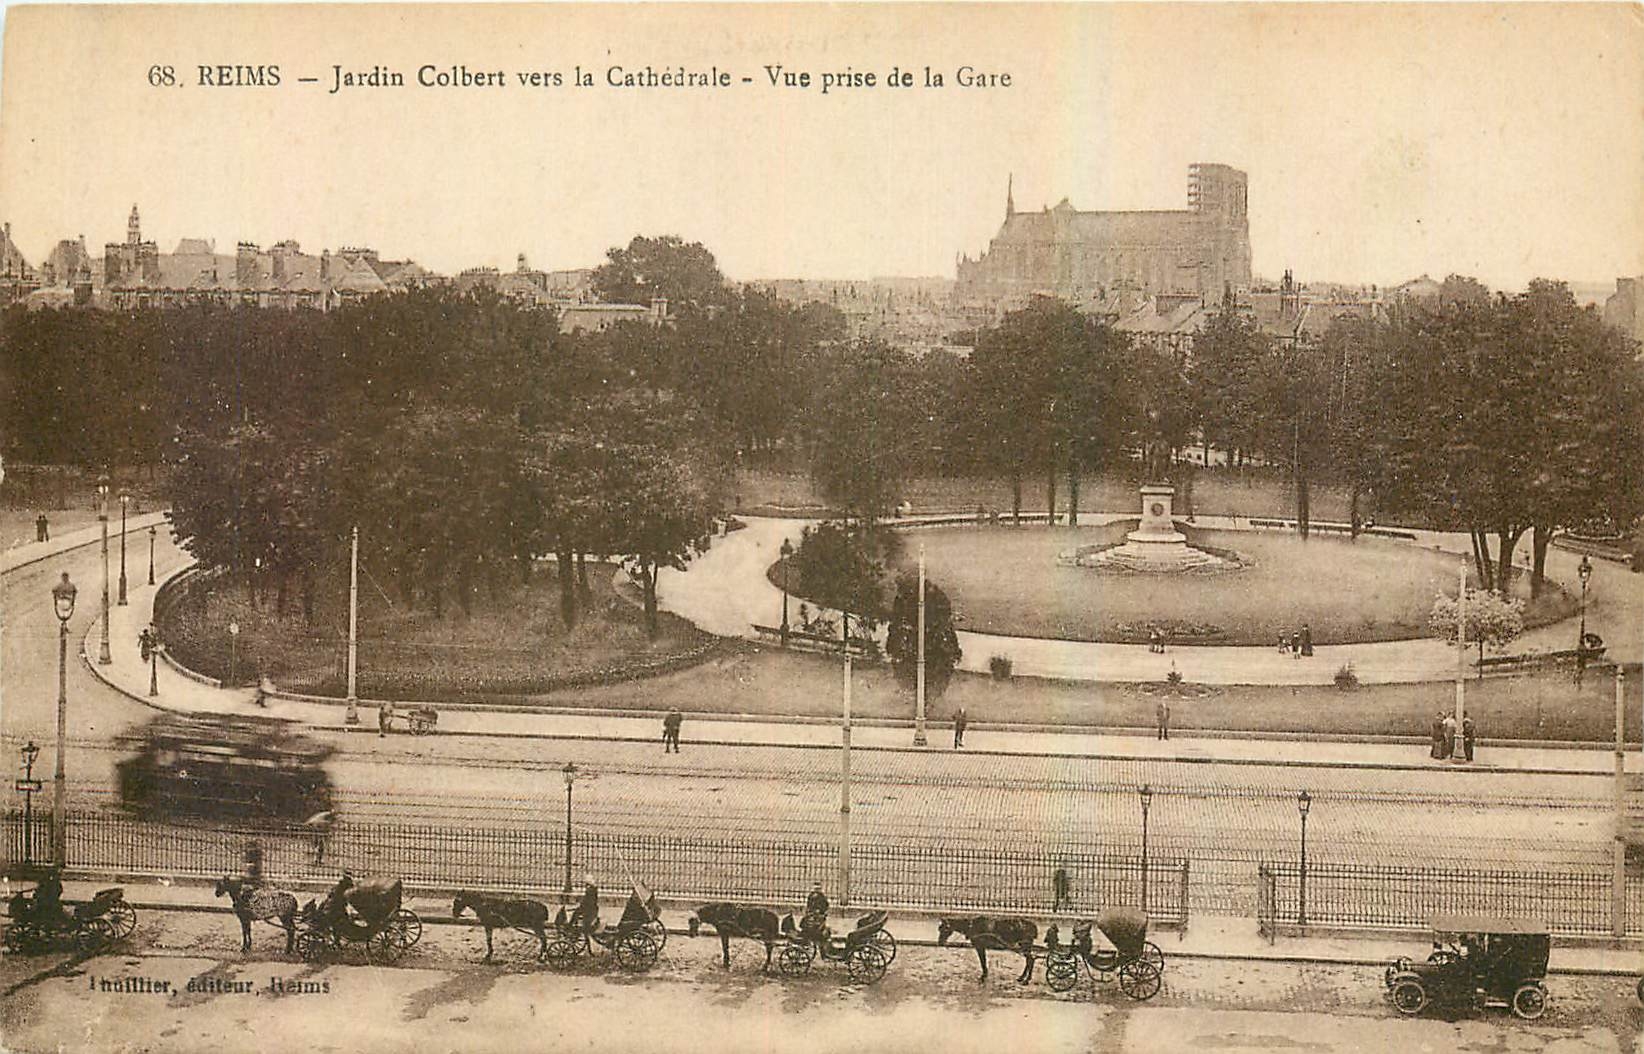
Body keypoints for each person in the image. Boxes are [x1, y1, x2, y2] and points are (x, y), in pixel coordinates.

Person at [800, 881, 831, 946]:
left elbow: (826, 906)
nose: (817, 890)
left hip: (818, 916)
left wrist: (821, 912)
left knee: (811, 923)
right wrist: (809, 912)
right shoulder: (811, 896)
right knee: (805, 922)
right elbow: (808, 906)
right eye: (816, 889)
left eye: (818, 889)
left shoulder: (822, 897)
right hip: (813, 916)